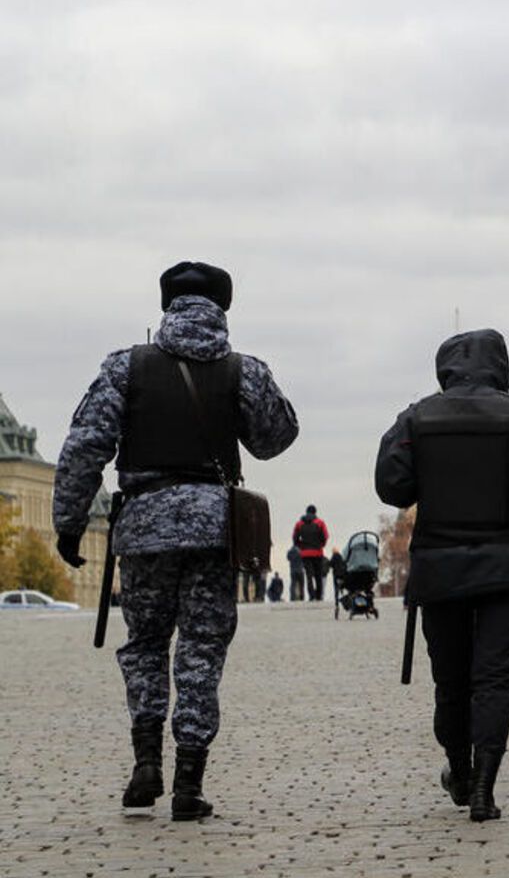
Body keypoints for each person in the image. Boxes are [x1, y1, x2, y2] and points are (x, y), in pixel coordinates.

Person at [52, 262, 298, 820]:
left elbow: (83, 447)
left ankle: (145, 761)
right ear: (223, 308)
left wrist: (69, 523)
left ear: (166, 306)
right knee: (201, 650)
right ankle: (189, 781)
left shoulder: (125, 368)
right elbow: (275, 439)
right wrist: (252, 385)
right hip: (215, 529)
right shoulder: (242, 370)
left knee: (144, 644)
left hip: (144, 529)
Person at [375, 328, 509, 822]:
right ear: (501, 367)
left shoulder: (417, 417)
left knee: (451, 680)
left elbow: (391, 487)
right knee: (493, 678)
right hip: (505, 567)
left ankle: (459, 772)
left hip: (439, 569)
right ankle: (485, 785)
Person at [292, 505, 329, 601]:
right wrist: (321, 545)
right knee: (318, 575)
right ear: (315, 512)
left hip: (305, 553)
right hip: (317, 552)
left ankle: (311, 595)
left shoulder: (299, 524)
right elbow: (325, 536)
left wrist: (300, 546)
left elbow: (295, 538)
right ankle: (319, 595)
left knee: (309, 575)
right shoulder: (320, 523)